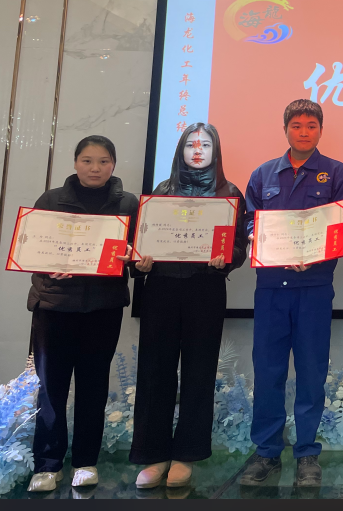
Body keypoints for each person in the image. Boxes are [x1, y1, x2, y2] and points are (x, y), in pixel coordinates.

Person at [238, 99, 343, 488]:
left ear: (321, 130)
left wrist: (316, 255)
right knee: (268, 371)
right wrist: (260, 241)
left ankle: (307, 455)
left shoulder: (336, 173)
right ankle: (267, 453)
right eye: (297, 126)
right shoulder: (263, 174)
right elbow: (250, 221)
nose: (304, 132)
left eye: (311, 126)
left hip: (314, 288)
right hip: (272, 289)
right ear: (285, 129)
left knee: (311, 372)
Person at [129, 123, 249, 489]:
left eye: (206, 144)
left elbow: (239, 246)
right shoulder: (161, 192)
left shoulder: (229, 193)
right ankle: (153, 453)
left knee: (199, 372)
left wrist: (226, 259)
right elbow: (140, 242)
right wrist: (140, 263)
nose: (198, 150)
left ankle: (186, 454)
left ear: (216, 151)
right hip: (161, 288)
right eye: (191, 144)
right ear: (180, 150)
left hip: (204, 290)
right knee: (155, 371)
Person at [26, 136, 139, 492]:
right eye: (87, 160)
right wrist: (48, 267)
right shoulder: (51, 200)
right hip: (55, 307)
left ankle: (86, 462)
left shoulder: (128, 204)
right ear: (75, 162)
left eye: (103, 161)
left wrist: (136, 258)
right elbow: (32, 249)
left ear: (113, 164)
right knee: (51, 388)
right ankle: (47, 464)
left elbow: (139, 256)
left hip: (102, 308)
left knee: (93, 387)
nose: (95, 168)